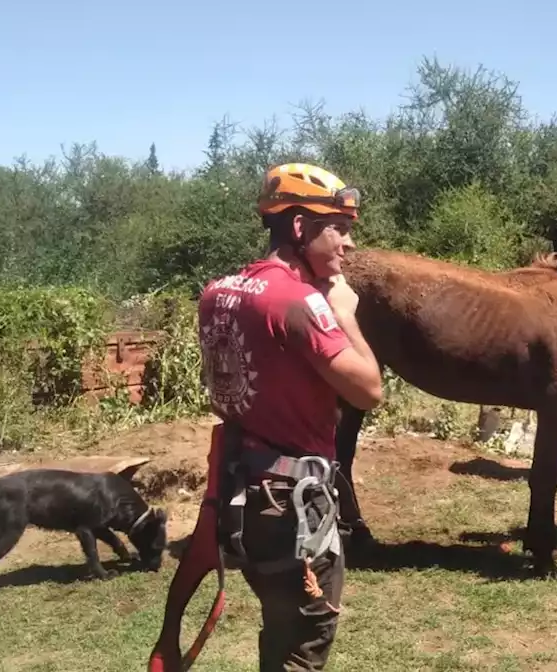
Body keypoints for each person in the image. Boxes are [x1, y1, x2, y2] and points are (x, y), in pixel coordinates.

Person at [150, 163, 384, 671]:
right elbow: (368, 391)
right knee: (306, 633)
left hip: (243, 491)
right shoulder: (300, 303)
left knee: (279, 623)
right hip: (292, 501)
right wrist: (344, 314)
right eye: (337, 229)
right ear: (299, 228)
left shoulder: (218, 291)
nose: (346, 244)